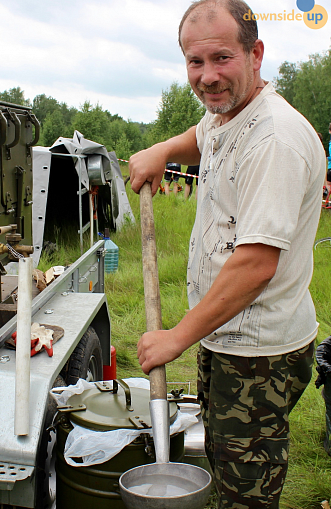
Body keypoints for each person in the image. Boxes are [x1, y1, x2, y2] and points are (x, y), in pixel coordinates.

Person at [129, 0, 326, 507]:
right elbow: (203, 136)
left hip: (259, 355)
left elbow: (257, 264)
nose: (208, 76)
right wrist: (164, 152)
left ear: (255, 54)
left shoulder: (274, 139)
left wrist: (176, 338)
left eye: (222, 58)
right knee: (221, 454)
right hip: (227, 337)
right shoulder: (231, 114)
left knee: (246, 493)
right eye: (196, 62)